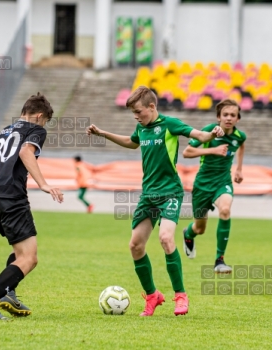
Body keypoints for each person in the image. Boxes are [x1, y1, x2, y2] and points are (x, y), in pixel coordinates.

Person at [87, 86, 224, 316]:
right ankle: (153, 296)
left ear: (152, 107)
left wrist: (213, 134)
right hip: (148, 195)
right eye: (133, 113)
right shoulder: (141, 127)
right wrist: (103, 133)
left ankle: (181, 296)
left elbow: (199, 135)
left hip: (170, 192)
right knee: (135, 245)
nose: (136, 116)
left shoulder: (169, 124)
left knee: (166, 238)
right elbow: (132, 142)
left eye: (139, 111)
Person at [0, 92, 64, 320]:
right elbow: (25, 152)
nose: (44, 126)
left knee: (19, 252)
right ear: (39, 116)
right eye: (45, 122)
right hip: (11, 196)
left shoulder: (4, 132)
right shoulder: (35, 130)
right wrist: (43, 184)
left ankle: (8, 294)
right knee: (29, 258)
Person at [182, 99, 246, 273]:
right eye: (225, 115)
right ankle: (188, 234)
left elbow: (241, 146)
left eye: (233, 115)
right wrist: (212, 150)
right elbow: (187, 152)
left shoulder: (239, 136)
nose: (229, 118)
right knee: (200, 228)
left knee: (225, 210)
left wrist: (239, 169)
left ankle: (219, 260)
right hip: (202, 185)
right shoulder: (210, 131)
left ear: (237, 119)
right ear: (218, 117)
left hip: (223, 182)